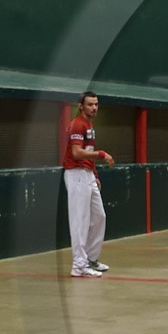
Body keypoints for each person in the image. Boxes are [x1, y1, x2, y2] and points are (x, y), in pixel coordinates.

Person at [63, 92, 114, 278]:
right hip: (76, 174)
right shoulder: (77, 124)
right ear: (81, 106)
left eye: (96, 104)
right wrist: (101, 154)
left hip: (88, 175)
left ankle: (91, 259)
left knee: (99, 217)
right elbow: (77, 153)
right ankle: (79, 266)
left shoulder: (89, 125)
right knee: (80, 222)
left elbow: (87, 153)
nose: (94, 108)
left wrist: (95, 174)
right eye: (90, 104)